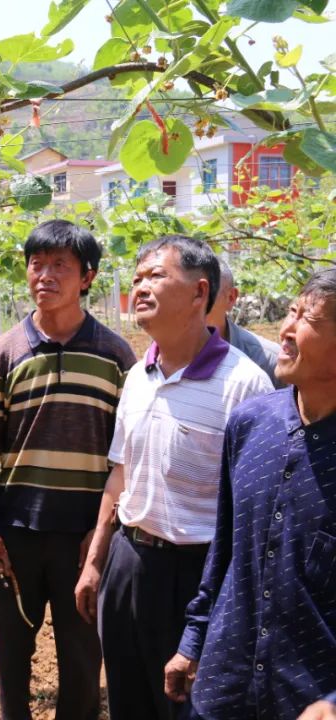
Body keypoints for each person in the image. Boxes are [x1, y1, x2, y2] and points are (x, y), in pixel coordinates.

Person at [74, 235, 272, 720]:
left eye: (156, 276)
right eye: (137, 278)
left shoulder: (246, 385)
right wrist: (97, 559)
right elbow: (121, 473)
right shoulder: (138, 375)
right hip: (129, 561)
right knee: (129, 700)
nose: (140, 287)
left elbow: (254, 515)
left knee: (186, 707)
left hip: (196, 576)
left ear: (200, 292)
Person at [0, 220, 136, 720]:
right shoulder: (4, 351)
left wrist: (104, 534)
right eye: (36, 264)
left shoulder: (115, 355)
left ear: (86, 277)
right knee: (11, 663)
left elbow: (125, 454)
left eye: (60, 265)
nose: (45, 275)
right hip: (16, 534)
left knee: (84, 663)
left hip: (83, 539)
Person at [164, 269, 336, 720]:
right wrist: (193, 641)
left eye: (308, 318)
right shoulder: (250, 423)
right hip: (226, 683)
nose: (286, 328)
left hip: (311, 696)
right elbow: (225, 552)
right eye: (291, 312)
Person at [205, 258, 283, 387]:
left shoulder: (268, 361)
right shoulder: (164, 356)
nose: (194, 301)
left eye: (205, 292)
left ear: (231, 298)